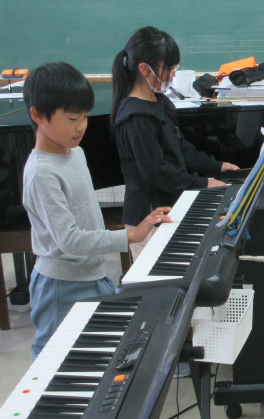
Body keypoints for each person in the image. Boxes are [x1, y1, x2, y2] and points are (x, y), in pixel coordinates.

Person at [22, 62, 172, 359]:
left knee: (98, 353)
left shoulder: (75, 152)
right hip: (60, 285)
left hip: (92, 274)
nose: (82, 127)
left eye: (86, 117)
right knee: (54, 361)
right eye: (72, 118)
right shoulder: (41, 173)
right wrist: (129, 236)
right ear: (37, 115)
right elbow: (69, 240)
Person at [110, 26, 239, 259]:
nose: (172, 75)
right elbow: (157, 172)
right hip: (148, 217)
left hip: (169, 205)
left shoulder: (157, 100)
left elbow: (180, 148)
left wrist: (216, 166)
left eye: (174, 67)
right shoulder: (136, 117)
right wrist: (202, 182)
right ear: (144, 69)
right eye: (168, 68)